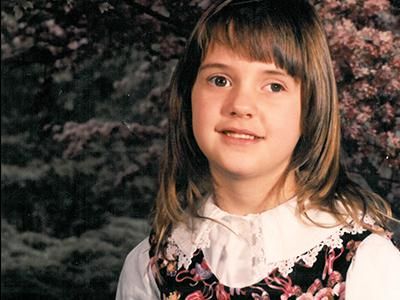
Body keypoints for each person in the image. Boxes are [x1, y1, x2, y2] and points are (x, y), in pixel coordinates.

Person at [116, 0, 400, 299]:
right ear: (188, 97)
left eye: (274, 86)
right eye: (220, 80)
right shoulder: (151, 268)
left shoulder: (367, 265)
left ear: (311, 108)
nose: (240, 105)